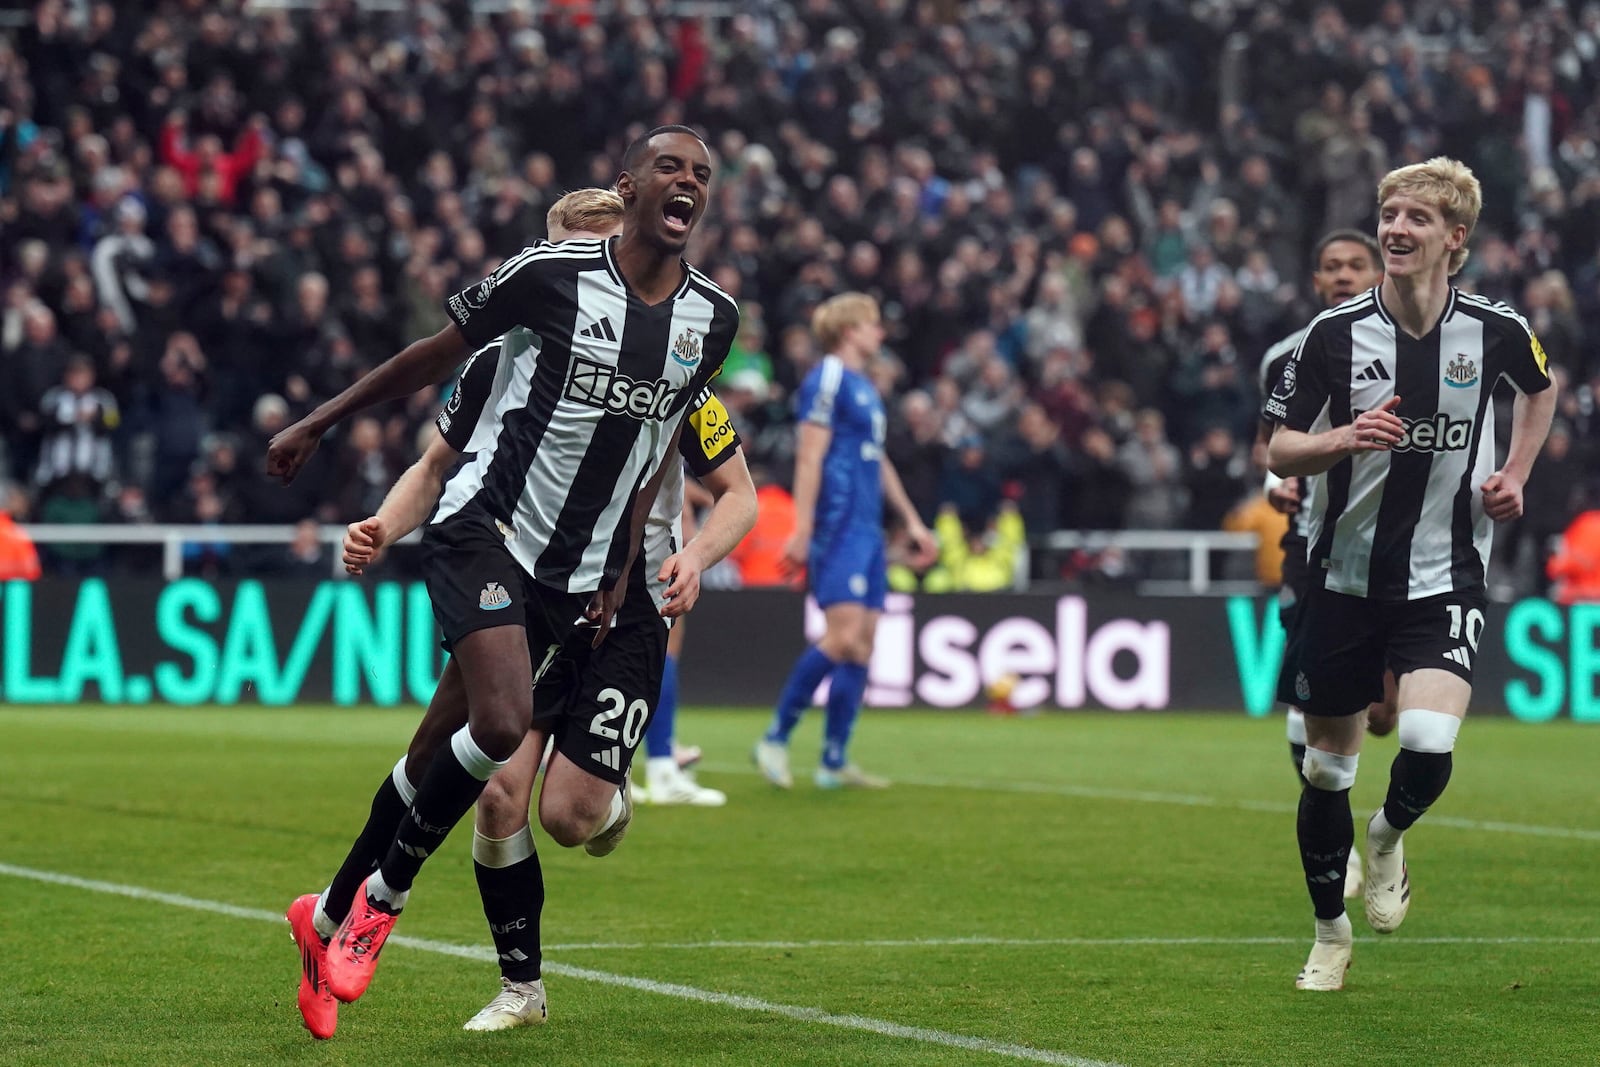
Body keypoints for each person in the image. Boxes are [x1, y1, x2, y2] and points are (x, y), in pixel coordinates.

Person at [268, 126, 740, 1029]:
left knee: (429, 756)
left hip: (579, 576)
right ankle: (382, 906)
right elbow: (431, 399)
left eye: (702, 174)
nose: (687, 183)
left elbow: (655, 450)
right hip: (486, 531)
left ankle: (324, 915)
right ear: (628, 187)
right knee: (497, 728)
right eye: (670, 167)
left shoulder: (710, 320)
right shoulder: (542, 288)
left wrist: (621, 564)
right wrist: (319, 423)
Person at [1266, 158, 1557, 991]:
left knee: (1428, 740)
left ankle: (1388, 837)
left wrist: (1517, 476)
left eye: (1416, 218)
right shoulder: (1333, 336)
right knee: (1326, 769)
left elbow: (1542, 390)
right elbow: (1281, 446)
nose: (1395, 228)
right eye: (1389, 213)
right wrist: (1343, 439)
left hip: (1446, 573)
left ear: (1454, 240)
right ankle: (1329, 931)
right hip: (1344, 578)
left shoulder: (1497, 328)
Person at [1255, 229, 1391, 901]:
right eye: (1331, 266)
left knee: (1387, 714)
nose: (1342, 275)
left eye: (1354, 265)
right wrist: (1271, 486)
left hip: (1399, 549)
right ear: (1315, 280)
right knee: (1308, 696)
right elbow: (1268, 445)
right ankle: (1336, 834)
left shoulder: (1413, 348)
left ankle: (1382, 823)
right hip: (1313, 544)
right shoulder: (1287, 354)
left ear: (1379, 270)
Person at [754, 293, 936, 789]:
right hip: (837, 524)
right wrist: (804, 527)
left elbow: (878, 462)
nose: (880, 333)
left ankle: (834, 761)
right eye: (874, 324)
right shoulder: (828, 378)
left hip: (868, 528)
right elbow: (810, 456)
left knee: (862, 645)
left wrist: (913, 522)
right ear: (850, 330)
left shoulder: (865, 388)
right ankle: (775, 737)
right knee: (841, 636)